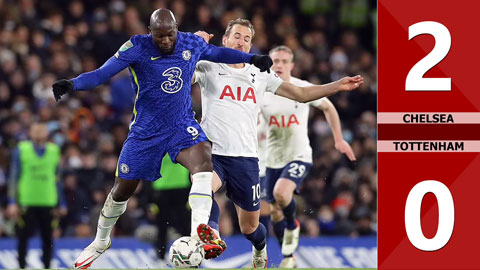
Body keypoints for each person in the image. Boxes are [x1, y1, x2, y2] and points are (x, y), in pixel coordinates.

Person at [51, 9, 274, 269]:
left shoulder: (189, 42)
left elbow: (218, 53)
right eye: (160, 36)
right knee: (121, 191)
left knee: (203, 163)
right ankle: (100, 241)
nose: (166, 41)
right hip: (146, 132)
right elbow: (102, 74)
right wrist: (73, 84)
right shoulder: (135, 46)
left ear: (176, 30)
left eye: (170, 35)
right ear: (150, 32)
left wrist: (252, 58)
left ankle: (199, 230)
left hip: (181, 125)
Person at [193, 19, 363, 268]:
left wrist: (337, 86)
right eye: (237, 36)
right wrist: (193, 42)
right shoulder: (207, 66)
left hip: (246, 159)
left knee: (250, 227)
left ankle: (260, 248)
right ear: (225, 41)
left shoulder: (260, 73)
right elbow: (181, 73)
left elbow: (301, 94)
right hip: (212, 153)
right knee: (202, 188)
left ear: (251, 45)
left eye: (247, 38)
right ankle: (213, 235)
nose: (241, 42)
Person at [260, 45, 356, 268]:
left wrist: (339, 139)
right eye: (275, 60)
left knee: (281, 194)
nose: (280, 65)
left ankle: (293, 225)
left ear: (292, 65)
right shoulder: (261, 91)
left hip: (299, 155)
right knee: (274, 213)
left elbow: (329, 107)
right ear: (269, 63)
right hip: (272, 159)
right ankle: (288, 257)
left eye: (285, 61)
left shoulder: (302, 87)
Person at [6, 123, 67, 269]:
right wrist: (12, 201)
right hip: (26, 200)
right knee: (23, 236)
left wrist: (62, 203)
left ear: (47, 134)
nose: (39, 135)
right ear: (31, 134)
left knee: (48, 236)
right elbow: (14, 177)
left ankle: (47, 265)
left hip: (48, 200)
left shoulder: (54, 150)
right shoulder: (21, 149)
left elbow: (57, 179)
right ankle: (21, 265)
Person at [150, 154, 190, 264]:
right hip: (161, 189)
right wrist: (149, 198)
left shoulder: (185, 139)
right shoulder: (157, 140)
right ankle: (160, 257)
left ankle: (189, 255)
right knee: (162, 226)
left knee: (185, 226)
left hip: (182, 188)